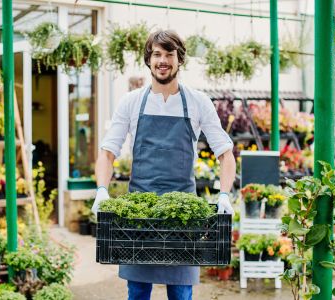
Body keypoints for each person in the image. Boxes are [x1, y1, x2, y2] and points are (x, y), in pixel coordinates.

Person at [92, 30, 236, 300]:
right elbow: (108, 151)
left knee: (181, 293)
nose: (162, 60)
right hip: (138, 216)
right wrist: (102, 189)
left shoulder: (198, 102)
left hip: (182, 217)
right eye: (157, 54)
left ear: (179, 59)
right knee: (137, 293)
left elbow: (226, 154)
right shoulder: (131, 102)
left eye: (169, 54)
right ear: (148, 60)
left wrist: (225, 194)